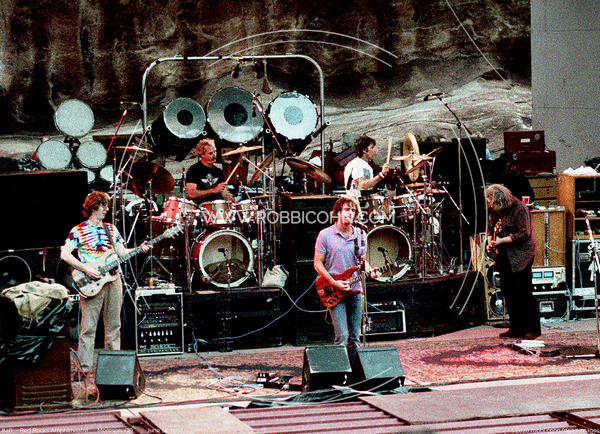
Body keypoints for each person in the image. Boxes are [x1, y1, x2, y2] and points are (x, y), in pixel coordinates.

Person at [60, 191, 150, 375]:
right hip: (91, 282)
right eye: (104, 206)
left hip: (113, 279)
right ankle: (84, 369)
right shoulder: (78, 230)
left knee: (114, 326)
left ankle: (112, 369)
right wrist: (86, 269)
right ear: (94, 206)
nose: (106, 209)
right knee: (88, 328)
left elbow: (122, 252)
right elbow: (65, 254)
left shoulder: (111, 229)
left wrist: (139, 249)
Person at [314, 196, 369, 365]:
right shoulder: (325, 235)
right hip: (334, 289)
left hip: (355, 289)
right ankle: (339, 372)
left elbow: (362, 261)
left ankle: (353, 372)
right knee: (342, 336)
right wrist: (333, 282)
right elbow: (317, 263)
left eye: (353, 210)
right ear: (338, 212)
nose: (350, 213)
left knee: (355, 337)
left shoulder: (360, 234)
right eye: (346, 210)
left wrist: (370, 269)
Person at [485, 184, 540, 339]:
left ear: (498, 200)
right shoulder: (495, 210)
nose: (489, 205)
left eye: (491, 201)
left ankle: (533, 330)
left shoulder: (519, 209)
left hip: (520, 255)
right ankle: (516, 328)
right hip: (504, 255)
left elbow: (524, 233)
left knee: (523, 292)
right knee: (508, 291)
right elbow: (490, 227)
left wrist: (502, 241)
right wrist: (490, 241)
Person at [186, 138, 235, 204]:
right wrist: (213, 190)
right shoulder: (194, 170)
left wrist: (236, 205)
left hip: (217, 206)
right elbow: (192, 194)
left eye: (215, 152)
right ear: (202, 154)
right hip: (200, 207)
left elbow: (224, 193)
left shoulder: (218, 171)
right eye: (210, 153)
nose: (214, 155)